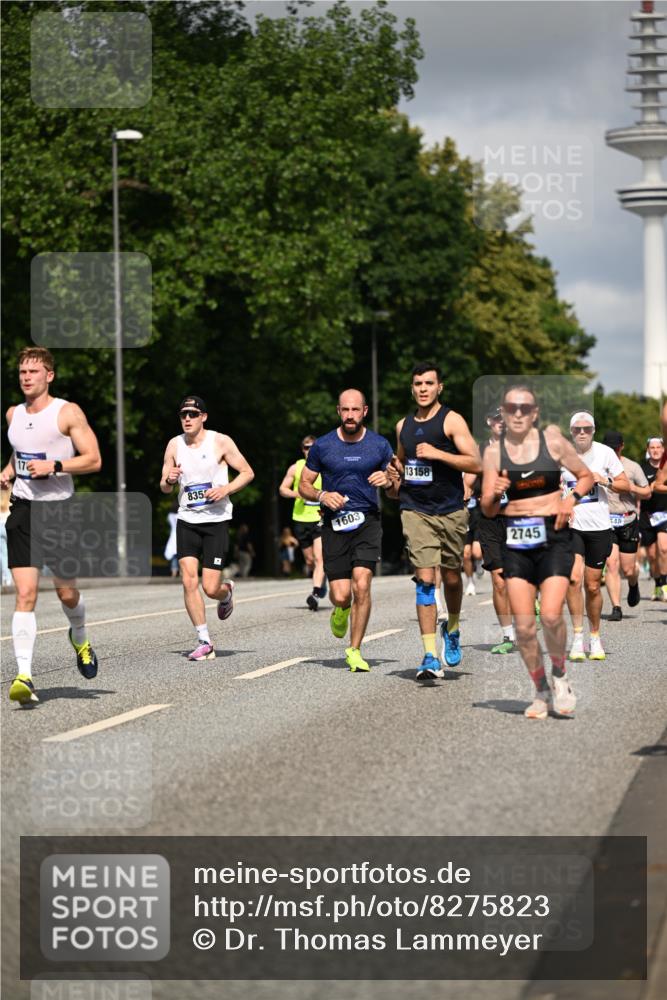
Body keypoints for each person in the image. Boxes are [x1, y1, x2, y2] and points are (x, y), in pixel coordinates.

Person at [481, 385, 594, 719]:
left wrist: (570, 499)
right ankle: (540, 690)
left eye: (524, 408)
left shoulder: (553, 441)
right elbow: (487, 510)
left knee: (549, 615)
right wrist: (494, 493)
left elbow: (585, 477)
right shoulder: (493, 453)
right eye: (510, 408)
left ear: (535, 412)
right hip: (515, 539)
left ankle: (560, 674)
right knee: (525, 627)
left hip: (553, 535)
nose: (517, 414)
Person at [1, 347, 102, 705]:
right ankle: (24, 676)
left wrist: (56, 467)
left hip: (60, 512)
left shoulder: (67, 412)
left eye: (33, 371)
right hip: (25, 510)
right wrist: (9, 471)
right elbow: (21, 450)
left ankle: (80, 635)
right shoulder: (13, 414)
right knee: (25, 594)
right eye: (22, 371)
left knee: (65, 593)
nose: (26, 377)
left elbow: (93, 459)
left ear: (49, 376)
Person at [388, 363, 482, 680]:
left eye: (429, 383)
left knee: (452, 577)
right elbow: (401, 462)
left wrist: (440, 455)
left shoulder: (451, 420)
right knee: (426, 580)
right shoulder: (403, 426)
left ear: (439, 387)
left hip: (451, 509)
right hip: (415, 509)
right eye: (418, 383)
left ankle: (452, 628)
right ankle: (429, 655)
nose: (423, 388)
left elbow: (476, 462)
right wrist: (393, 474)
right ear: (412, 388)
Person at [298, 389, 395, 673]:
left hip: (367, 521)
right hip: (334, 523)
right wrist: (321, 495)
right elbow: (304, 483)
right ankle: (341, 609)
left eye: (356, 410)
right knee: (341, 595)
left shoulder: (379, 444)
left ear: (364, 411)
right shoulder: (323, 446)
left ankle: (354, 650)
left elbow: (396, 487)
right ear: (338, 411)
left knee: (362, 584)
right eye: (345, 410)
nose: (350, 415)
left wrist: (389, 479)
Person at [160, 394, 254, 660]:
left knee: (210, 587)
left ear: (204, 417)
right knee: (188, 581)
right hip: (187, 520)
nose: (187, 419)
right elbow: (164, 486)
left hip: (215, 521)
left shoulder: (220, 441)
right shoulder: (174, 445)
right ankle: (204, 640)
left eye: (192, 414)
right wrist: (169, 479)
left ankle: (226, 593)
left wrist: (225, 489)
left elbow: (247, 472)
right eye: (183, 415)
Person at [563, 412, 630, 661]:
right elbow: (552, 486)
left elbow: (626, 485)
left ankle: (595, 636)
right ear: (571, 432)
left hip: (599, 528)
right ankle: (578, 638)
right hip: (572, 527)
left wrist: (607, 480)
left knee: (592, 585)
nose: (582, 432)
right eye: (578, 429)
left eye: (587, 429)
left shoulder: (605, 453)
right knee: (573, 579)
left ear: (593, 430)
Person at [475, 407, 515, 654]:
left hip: (517, 518)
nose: (502, 423)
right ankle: (508, 634)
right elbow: (467, 479)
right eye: (498, 419)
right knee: (499, 579)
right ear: (490, 421)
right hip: (489, 520)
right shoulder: (480, 451)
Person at [601, 430, 651, 619]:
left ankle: (633, 584)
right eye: (609, 449)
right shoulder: (598, 467)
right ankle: (616, 607)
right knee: (611, 564)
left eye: (615, 448)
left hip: (628, 520)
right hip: (606, 521)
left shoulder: (632, 467)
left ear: (621, 446)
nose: (613, 452)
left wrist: (631, 487)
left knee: (628, 569)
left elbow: (647, 492)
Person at [279, 436, 327, 610]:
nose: (310, 450)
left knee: (319, 557)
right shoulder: (296, 467)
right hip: (301, 518)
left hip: (320, 517)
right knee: (309, 560)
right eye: (307, 448)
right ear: (302, 449)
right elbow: (283, 489)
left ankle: (315, 592)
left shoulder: (326, 466)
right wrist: (297, 494)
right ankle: (321, 579)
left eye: (313, 448)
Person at [639, 437, 667, 601]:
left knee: (663, 548)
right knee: (651, 554)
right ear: (648, 450)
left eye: (658, 447)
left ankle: (664, 584)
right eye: (652, 447)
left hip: (665, 514)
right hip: (647, 516)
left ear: (663, 449)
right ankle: (657, 584)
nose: (656, 450)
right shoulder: (642, 469)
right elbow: (635, 492)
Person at [164, 499, 179, 577]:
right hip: (181, 535)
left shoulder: (170, 516)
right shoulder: (180, 515)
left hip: (173, 536)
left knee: (174, 556)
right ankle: (183, 572)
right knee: (183, 555)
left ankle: (174, 572)